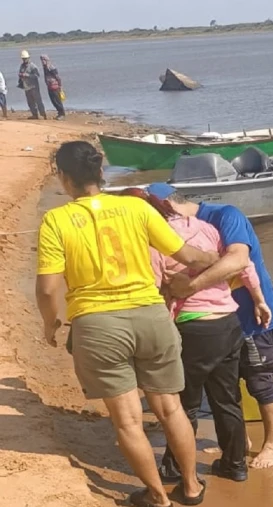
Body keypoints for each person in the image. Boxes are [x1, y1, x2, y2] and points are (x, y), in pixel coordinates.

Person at [36, 142, 216, 507]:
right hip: (151, 316)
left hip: (98, 325)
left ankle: (156, 498)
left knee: (128, 421)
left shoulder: (55, 220)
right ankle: (192, 487)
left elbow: (46, 288)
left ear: (63, 177)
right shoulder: (136, 207)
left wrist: (50, 323)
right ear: (100, 172)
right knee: (171, 409)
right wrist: (213, 257)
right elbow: (185, 254)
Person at [118, 188, 272, 483]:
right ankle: (234, 464)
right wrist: (259, 299)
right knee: (227, 399)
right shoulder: (207, 228)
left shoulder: (155, 240)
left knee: (183, 403)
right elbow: (244, 263)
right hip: (228, 321)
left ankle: (175, 468)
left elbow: (155, 288)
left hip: (193, 326)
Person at [17, 50, 46, 120]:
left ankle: (43, 115)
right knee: (30, 102)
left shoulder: (33, 66)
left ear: (28, 58)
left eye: (25, 58)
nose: (24, 60)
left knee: (38, 101)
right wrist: (20, 76)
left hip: (34, 87)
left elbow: (37, 75)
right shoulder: (22, 66)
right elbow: (20, 73)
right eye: (23, 59)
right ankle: (34, 114)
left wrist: (27, 75)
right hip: (26, 87)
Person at [40, 54, 66, 120]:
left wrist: (60, 86)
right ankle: (59, 113)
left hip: (55, 87)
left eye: (44, 60)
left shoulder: (51, 67)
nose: (43, 61)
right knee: (53, 101)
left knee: (58, 101)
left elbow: (58, 77)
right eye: (42, 60)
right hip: (50, 87)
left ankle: (62, 114)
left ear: (47, 60)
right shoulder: (45, 68)